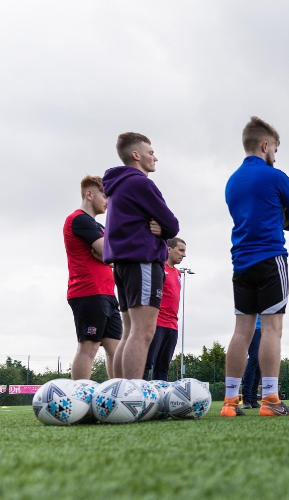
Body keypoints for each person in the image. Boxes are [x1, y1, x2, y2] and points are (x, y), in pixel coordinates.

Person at [221, 117, 289, 417]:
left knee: (241, 332)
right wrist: (280, 217)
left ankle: (230, 402)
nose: (275, 155)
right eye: (275, 148)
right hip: (270, 258)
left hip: (240, 262)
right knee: (272, 328)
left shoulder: (231, 182)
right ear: (265, 145)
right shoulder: (276, 176)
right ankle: (270, 400)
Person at [102, 133, 179, 379]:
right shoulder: (140, 183)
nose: (155, 157)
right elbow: (172, 224)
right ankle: (132, 396)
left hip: (124, 265)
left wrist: (162, 228)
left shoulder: (117, 185)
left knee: (129, 332)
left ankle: (119, 395)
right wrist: (164, 230)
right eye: (150, 152)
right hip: (142, 261)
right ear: (136, 155)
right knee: (143, 332)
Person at [64, 175, 122, 380]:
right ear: (89, 194)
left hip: (107, 293)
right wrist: (108, 255)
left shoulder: (99, 227)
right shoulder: (78, 219)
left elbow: (110, 255)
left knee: (116, 349)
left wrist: (109, 255)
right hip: (88, 291)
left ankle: (119, 398)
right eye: (105, 196)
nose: (108, 202)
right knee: (89, 347)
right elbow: (108, 253)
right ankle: (79, 400)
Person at [144, 237, 186, 381]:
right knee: (147, 363)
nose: (184, 255)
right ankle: (138, 396)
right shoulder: (158, 268)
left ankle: (159, 401)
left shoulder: (178, 273)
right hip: (157, 323)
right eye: (181, 250)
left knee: (163, 367)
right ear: (169, 249)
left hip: (172, 325)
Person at [241, 315, 262, 409]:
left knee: (259, 364)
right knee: (254, 359)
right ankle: (246, 399)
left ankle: (253, 399)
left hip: (266, 329)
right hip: (254, 328)